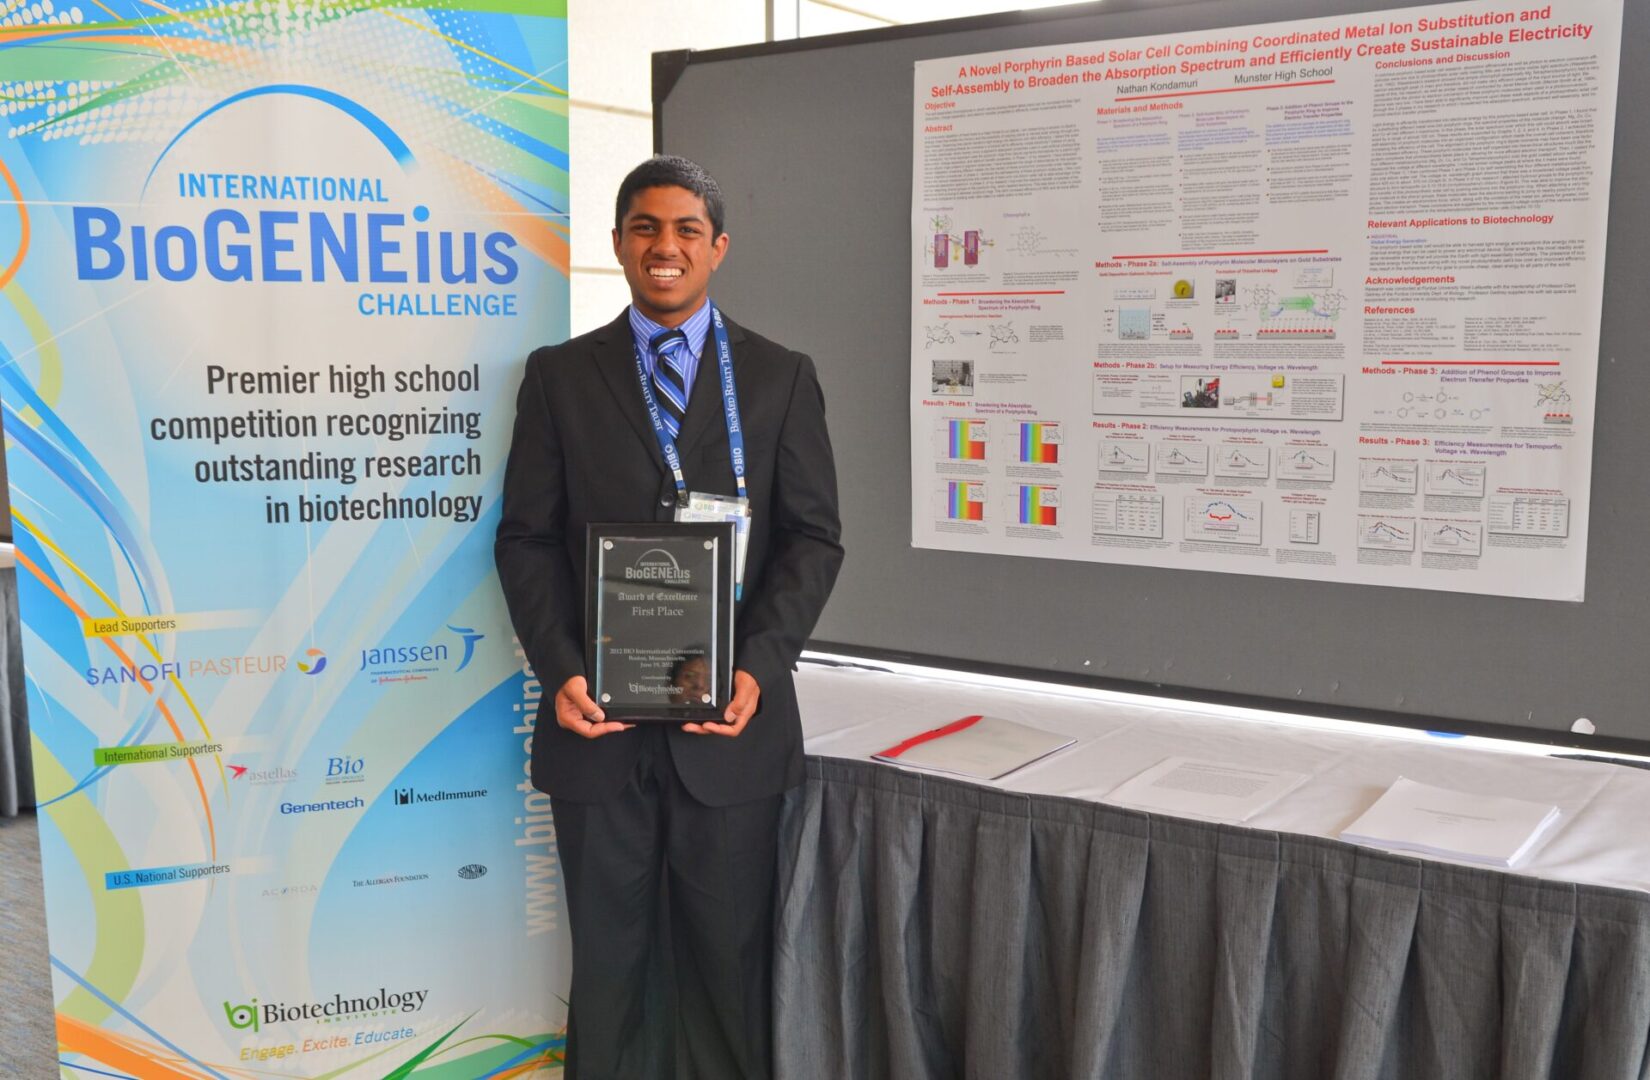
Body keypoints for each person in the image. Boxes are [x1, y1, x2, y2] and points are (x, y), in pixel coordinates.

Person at [495, 155, 844, 1080]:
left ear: (718, 249)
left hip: (725, 732)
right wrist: (561, 668)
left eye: (687, 229)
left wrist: (758, 668)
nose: (665, 247)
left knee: (727, 973)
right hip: (596, 726)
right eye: (645, 227)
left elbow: (814, 541)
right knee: (609, 971)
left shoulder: (778, 378)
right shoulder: (560, 378)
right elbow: (524, 540)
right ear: (616, 244)